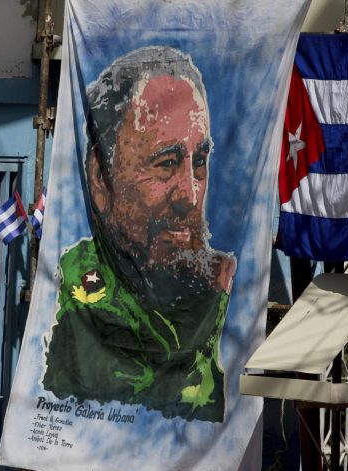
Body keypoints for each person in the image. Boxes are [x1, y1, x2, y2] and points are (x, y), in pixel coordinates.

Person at [42, 46, 236, 422]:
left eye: (199, 162)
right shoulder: (75, 296)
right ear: (101, 177)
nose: (190, 195)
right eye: (166, 164)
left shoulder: (221, 286)